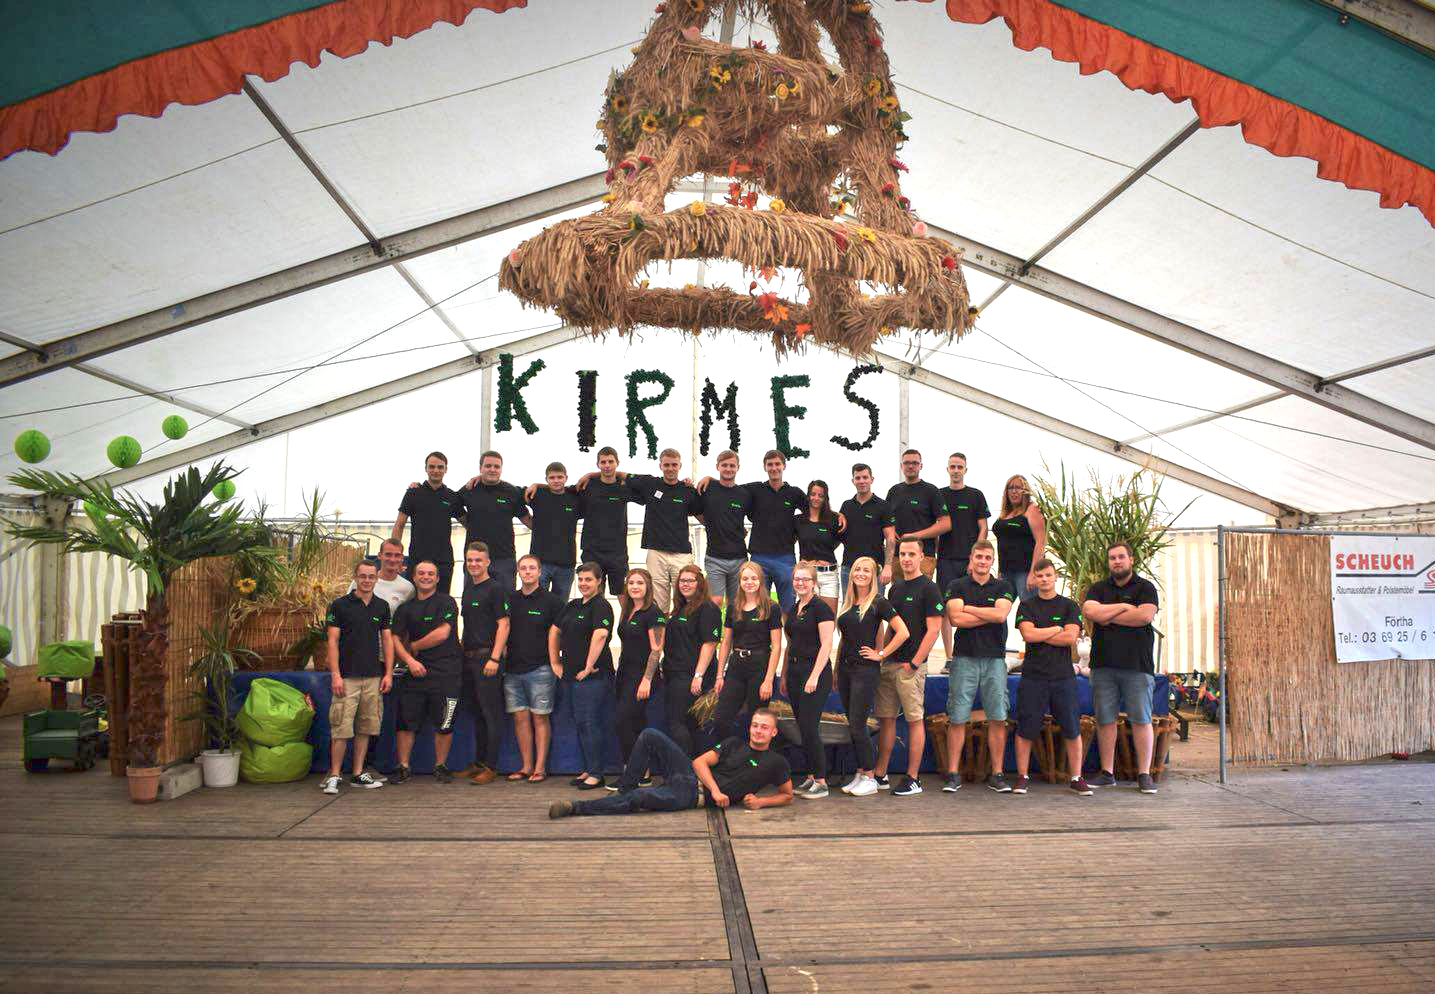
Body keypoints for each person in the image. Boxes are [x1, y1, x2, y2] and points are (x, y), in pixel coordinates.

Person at [549, 710, 793, 818]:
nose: (758, 731)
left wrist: (761, 802)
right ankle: (625, 789)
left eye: (764, 727)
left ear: (773, 733)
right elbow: (699, 763)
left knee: (639, 799)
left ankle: (575, 808)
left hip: (690, 796)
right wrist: (716, 791)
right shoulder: (733, 743)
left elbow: (787, 795)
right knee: (650, 735)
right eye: (755, 725)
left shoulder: (776, 762)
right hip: (687, 774)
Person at [1083, 542, 1161, 794]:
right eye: (1112, 558)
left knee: (1141, 719)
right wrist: (1125, 608)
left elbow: (1144, 617)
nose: (1116, 561)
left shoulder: (1145, 588)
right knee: (1105, 719)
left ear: (1131, 559)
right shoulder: (1098, 588)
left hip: (1137, 666)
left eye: (1121, 557)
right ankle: (1107, 773)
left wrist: (1107, 615)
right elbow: (1090, 611)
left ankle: (1144, 774)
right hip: (1103, 665)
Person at [942, 540, 1017, 793]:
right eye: (979, 557)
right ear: (971, 559)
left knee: (997, 716)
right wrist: (988, 613)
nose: (983, 561)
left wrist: (970, 609)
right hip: (964, 659)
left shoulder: (1004, 586)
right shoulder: (956, 585)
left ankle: (997, 774)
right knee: (957, 717)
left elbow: (1001, 615)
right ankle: (953, 774)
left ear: (992, 561)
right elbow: (955, 618)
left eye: (987, 558)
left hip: (995, 659)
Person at [873, 537, 943, 796]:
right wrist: (883, 655)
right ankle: (880, 774)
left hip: (911, 667)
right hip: (891, 665)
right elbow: (892, 628)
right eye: (902, 554)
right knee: (886, 719)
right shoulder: (895, 589)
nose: (906, 559)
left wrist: (914, 663)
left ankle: (913, 778)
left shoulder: (930, 589)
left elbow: (934, 630)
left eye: (912, 554)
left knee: (914, 720)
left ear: (922, 557)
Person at [1013, 558, 1090, 796]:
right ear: (1034, 580)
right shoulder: (1026, 606)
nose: (1044, 579)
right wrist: (1057, 629)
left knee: (1072, 727)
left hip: (1063, 677)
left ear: (1056, 577)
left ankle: (1076, 777)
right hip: (1033, 676)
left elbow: (1070, 639)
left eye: (1048, 575)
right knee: (1026, 728)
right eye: (1040, 576)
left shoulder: (1070, 606)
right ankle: (1022, 777)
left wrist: (1041, 633)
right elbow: (1028, 635)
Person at [835, 556, 908, 797]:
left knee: (858, 725)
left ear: (873, 576)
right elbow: (844, 639)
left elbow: (903, 632)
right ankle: (860, 773)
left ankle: (870, 776)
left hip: (864, 671)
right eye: (857, 569)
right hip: (845, 669)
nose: (861, 573)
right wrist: (836, 670)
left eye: (866, 570)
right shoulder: (848, 603)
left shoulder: (878, 602)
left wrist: (881, 654)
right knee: (853, 724)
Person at [701, 450, 805, 614]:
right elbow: (727, 486)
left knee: (788, 607)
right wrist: (710, 479)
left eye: (777, 464)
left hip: (785, 558)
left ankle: (788, 633)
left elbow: (814, 510)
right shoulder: (754, 490)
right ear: (764, 467)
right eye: (770, 464)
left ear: (784, 466)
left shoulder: (795, 493)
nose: (774, 468)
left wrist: (837, 516)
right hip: (759, 558)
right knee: (757, 607)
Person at [321, 560, 394, 794]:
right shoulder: (339, 606)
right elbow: (332, 642)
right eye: (362, 576)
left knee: (365, 727)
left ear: (376, 579)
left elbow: (387, 640)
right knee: (341, 728)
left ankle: (357, 773)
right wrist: (335, 675)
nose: (367, 580)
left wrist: (388, 673)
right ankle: (334, 775)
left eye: (371, 577)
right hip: (347, 677)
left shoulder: (382, 606)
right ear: (355, 577)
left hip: (373, 677)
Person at [391, 561, 462, 783]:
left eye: (431, 574)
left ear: (438, 578)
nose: (426, 577)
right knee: (405, 721)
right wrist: (409, 661)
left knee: (445, 723)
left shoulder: (446, 602)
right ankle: (403, 767)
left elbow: (443, 633)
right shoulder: (405, 608)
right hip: (414, 673)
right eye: (421, 573)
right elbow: (394, 639)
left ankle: (440, 766)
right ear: (414, 577)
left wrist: (414, 646)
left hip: (447, 672)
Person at [550, 562, 615, 790]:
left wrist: (588, 666)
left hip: (594, 677)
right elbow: (554, 631)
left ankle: (596, 773)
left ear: (599, 581)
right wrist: (555, 661)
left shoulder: (601, 606)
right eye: (580, 579)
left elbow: (601, 635)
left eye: (589, 579)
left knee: (589, 723)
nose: (584, 583)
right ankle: (589, 768)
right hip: (572, 676)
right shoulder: (573, 605)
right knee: (581, 723)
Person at [780, 561, 838, 798]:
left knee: (809, 727)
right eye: (797, 579)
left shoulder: (821, 608)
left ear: (814, 583)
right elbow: (790, 644)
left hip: (814, 673)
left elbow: (826, 644)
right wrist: (784, 674)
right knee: (802, 728)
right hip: (795, 673)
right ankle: (811, 776)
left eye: (805, 579)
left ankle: (821, 781)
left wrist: (814, 676)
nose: (800, 583)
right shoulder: (794, 608)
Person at [455, 542, 510, 785]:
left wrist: (495, 658)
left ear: (488, 562)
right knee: (477, 714)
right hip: (469, 659)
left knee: (491, 714)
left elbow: (504, 624)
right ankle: (478, 763)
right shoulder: (468, 589)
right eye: (470, 560)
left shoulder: (496, 589)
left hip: (488, 660)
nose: (474, 564)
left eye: (478, 560)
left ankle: (491, 767)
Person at [623, 449, 702, 613]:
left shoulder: (688, 490)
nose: (670, 468)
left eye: (674, 465)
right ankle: (661, 630)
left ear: (680, 466)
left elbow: (701, 515)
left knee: (686, 599)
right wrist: (590, 476)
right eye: (666, 465)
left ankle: (683, 629)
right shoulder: (650, 484)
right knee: (658, 603)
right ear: (660, 466)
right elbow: (620, 475)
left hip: (681, 554)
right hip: (656, 552)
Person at [504, 555, 561, 782]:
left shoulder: (552, 601)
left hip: (541, 669)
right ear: (518, 572)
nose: (527, 572)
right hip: (512, 670)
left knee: (540, 719)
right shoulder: (509, 599)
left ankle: (540, 768)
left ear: (539, 572)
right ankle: (526, 766)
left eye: (532, 568)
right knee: (520, 719)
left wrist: (555, 661)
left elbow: (558, 634)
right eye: (523, 568)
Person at [711, 562, 781, 741]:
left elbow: (776, 646)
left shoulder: (771, 607)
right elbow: (726, 642)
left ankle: (753, 757)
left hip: (759, 666)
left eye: (754, 578)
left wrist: (768, 680)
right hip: (736, 666)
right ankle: (726, 753)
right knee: (721, 719)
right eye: (745, 579)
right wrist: (719, 675)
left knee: (756, 721)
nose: (749, 582)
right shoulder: (733, 607)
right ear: (740, 581)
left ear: (761, 580)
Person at [658, 564, 722, 756]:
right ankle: (692, 767)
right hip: (674, 674)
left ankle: (687, 766)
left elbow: (710, 643)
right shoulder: (680, 609)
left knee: (676, 722)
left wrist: (698, 675)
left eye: (689, 581)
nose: (685, 584)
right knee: (685, 724)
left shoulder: (708, 608)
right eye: (682, 581)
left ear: (699, 583)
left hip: (691, 677)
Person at [937, 453, 990, 663]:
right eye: (953, 467)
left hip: (970, 562)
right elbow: (935, 527)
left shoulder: (976, 495)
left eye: (960, 467)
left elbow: (983, 528)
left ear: (966, 470)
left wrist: (974, 559)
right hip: (945, 561)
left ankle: (973, 653)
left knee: (975, 606)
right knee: (946, 609)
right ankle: (950, 657)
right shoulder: (939, 495)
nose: (956, 470)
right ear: (947, 469)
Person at [615, 568, 666, 772]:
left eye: (640, 583)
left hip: (641, 676)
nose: (634, 587)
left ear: (648, 587)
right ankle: (641, 772)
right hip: (625, 673)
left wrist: (647, 679)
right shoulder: (628, 610)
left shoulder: (653, 612)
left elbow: (656, 650)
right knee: (633, 722)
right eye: (631, 583)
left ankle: (634, 770)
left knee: (623, 721)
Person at [457, 450, 530, 590]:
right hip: (475, 559)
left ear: (501, 469)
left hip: (504, 560)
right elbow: (453, 505)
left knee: (505, 601)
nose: (492, 469)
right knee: (474, 602)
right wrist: (469, 524)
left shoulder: (512, 492)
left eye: (496, 466)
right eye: (488, 466)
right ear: (480, 468)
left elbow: (527, 520)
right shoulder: (469, 489)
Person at [393, 451, 462, 593]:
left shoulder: (451, 496)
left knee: (442, 601)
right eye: (432, 467)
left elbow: (469, 523)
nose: (436, 470)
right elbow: (399, 525)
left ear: (446, 469)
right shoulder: (413, 493)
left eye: (440, 467)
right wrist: (396, 555)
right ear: (425, 468)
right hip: (417, 559)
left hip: (443, 561)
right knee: (414, 600)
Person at [578, 446, 638, 596]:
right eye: (603, 462)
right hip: (592, 550)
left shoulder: (625, 487)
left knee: (624, 595)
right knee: (594, 595)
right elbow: (560, 490)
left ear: (617, 463)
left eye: (611, 462)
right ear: (598, 464)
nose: (607, 465)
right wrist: (538, 486)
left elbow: (648, 485)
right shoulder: (588, 485)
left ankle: (625, 616)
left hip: (617, 552)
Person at [884, 449, 951, 582]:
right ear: (901, 466)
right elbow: (886, 520)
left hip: (923, 556)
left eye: (915, 463)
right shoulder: (894, 491)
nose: (910, 466)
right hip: (898, 556)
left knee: (921, 593)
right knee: (898, 593)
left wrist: (914, 536)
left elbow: (946, 524)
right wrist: (891, 531)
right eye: (907, 463)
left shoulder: (931, 491)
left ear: (921, 466)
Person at [697, 450, 752, 608]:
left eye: (732, 466)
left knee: (736, 604)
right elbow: (694, 510)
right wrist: (710, 523)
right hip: (714, 558)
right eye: (724, 465)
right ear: (718, 467)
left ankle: (731, 626)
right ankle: (713, 626)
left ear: (738, 467)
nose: (728, 469)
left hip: (739, 558)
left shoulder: (744, 494)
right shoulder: (707, 488)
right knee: (715, 603)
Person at [524, 462, 583, 600]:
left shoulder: (575, 498)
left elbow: (589, 487)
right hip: (539, 563)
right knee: (537, 602)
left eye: (560, 477)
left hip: (566, 564)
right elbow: (510, 493)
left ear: (566, 478)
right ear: (546, 479)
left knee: (560, 606)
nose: (556, 481)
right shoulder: (537, 495)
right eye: (552, 478)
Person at [838, 463, 896, 596]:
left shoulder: (883, 506)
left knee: (875, 606)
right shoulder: (846, 506)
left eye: (865, 477)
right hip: (849, 568)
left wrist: (888, 566)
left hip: (875, 568)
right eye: (858, 478)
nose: (862, 481)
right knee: (849, 607)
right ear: (853, 481)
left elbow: (890, 538)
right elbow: (838, 532)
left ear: (872, 479)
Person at [992, 474, 1046, 603]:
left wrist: (1033, 573)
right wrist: (1000, 571)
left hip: (1025, 572)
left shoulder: (1031, 509)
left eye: (1018, 488)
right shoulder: (1005, 513)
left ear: (1025, 491)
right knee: (998, 607)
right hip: (1005, 572)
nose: (1014, 491)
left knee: (1029, 609)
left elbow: (1041, 542)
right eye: (1010, 488)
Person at [794, 480, 843, 613]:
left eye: (820, 495)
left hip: (829, 575)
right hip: (807, 575)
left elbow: (838, 541)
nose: (816, 498)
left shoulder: (834, 519)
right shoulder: (798, 520)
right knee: (807, 618)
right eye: (813, 494)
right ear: (808, 496)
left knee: (829, 617)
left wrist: (841, 515)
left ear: (825, 498)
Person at [348, 538, 415, 615]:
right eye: (388, 554)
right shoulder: (362, 581)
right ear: (379, 555)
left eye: (397, 555)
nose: (392, 559)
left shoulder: (408, 588)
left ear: (402, 558)